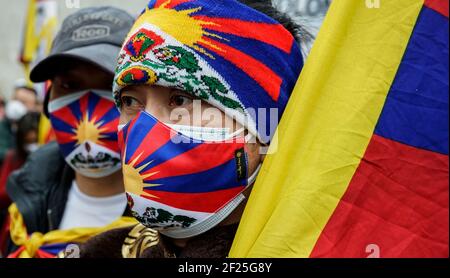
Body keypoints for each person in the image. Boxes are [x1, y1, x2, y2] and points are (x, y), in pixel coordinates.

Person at [79, 0, 308, 258]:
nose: (144, 130)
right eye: (130, 101)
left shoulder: (319, 247)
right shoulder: (103, 252)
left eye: (180, 99)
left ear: (265, 127)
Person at [2, 6, 136, 258]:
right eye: (69, 85)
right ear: (48, 104)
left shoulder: (176, 219)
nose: (87, 104)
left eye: (110, 83)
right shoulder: (24, 205)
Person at [0, 82, 38, 165]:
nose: (16, 105)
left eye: (23, 102)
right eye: (15, 99)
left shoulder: (40, 127)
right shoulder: (4, 125)